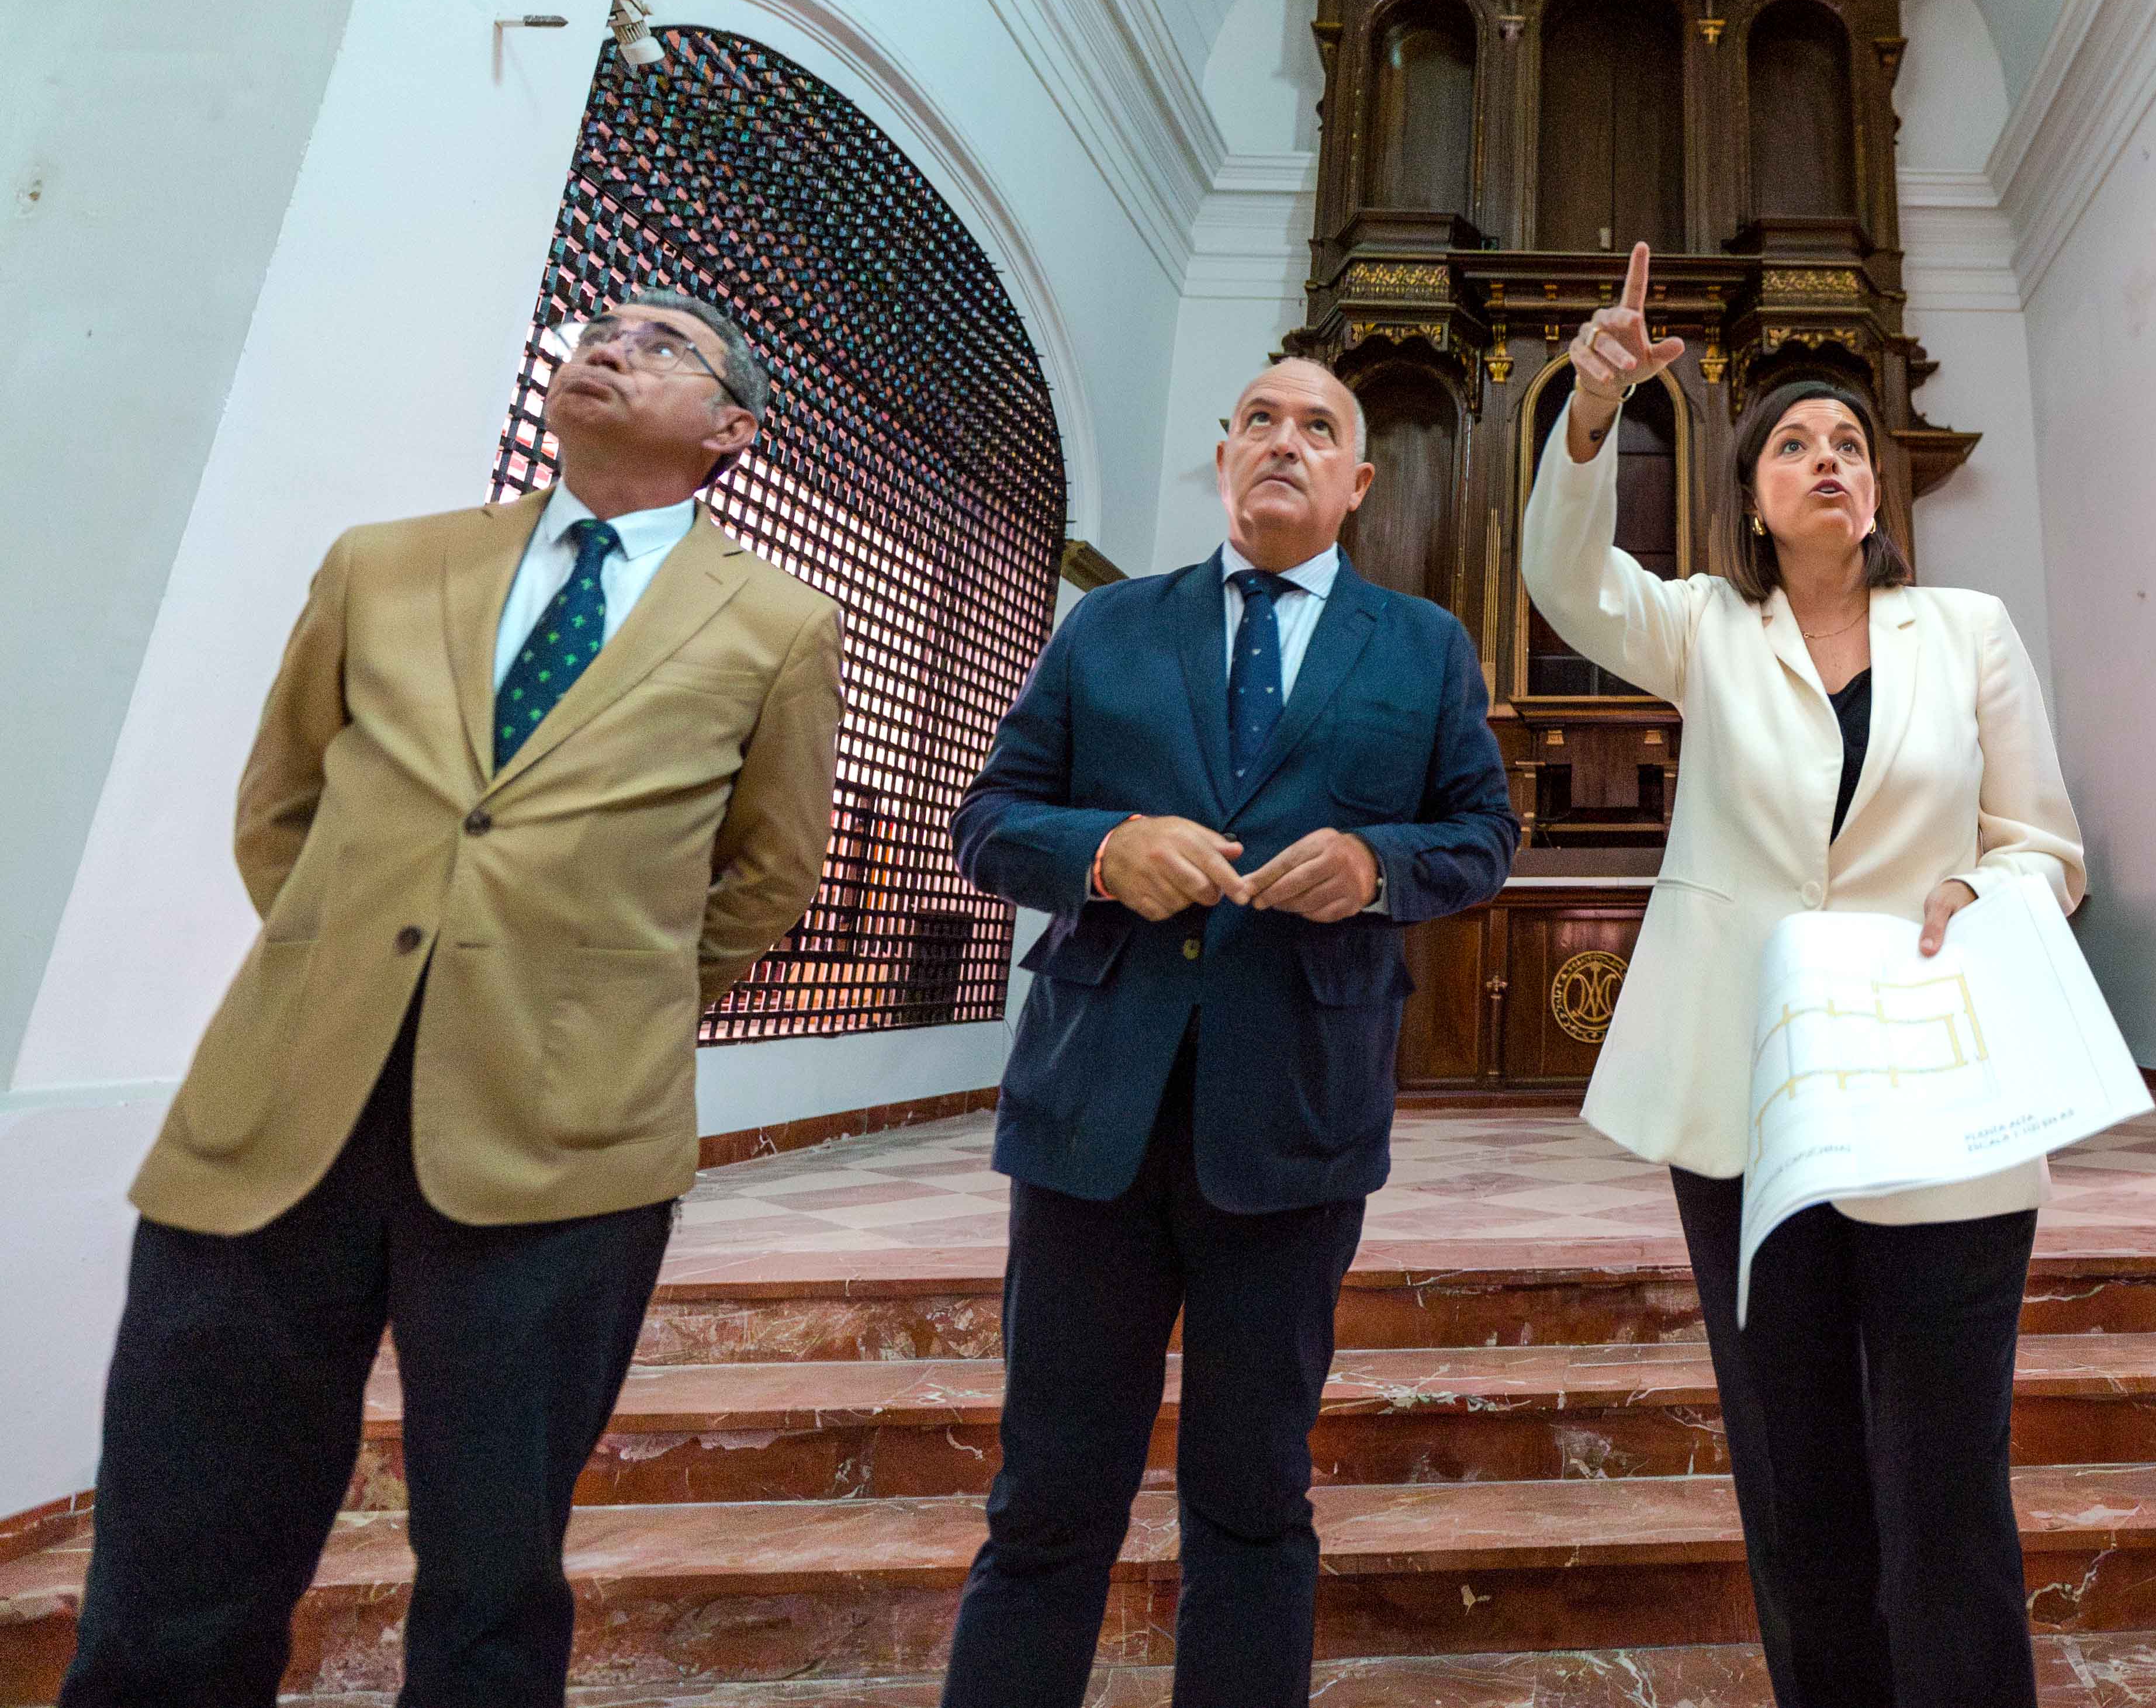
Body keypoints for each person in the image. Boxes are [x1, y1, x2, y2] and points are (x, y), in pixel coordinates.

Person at [60, 292, 842, 1708]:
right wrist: (359, 968)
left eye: (666, 345)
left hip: (559, 1146)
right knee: (180, 1553)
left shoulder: (778, 626)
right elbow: (280, 810)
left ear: (731, 429)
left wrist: (596, 1003)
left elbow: (769, 873)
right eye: (602, 328)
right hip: (284, 1115)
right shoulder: (385, 565)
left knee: (491, 1579)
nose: (612, 346)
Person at [1518, 243, 2087, 1708]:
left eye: (1848, 443)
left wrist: (1984, 882)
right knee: (1799, 1471)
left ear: (1880, 494)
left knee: (1946, 1481)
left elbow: (2045, 846)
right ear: (1754, 496)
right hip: (1753, 1100)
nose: (1824, 459)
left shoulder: (1968, 634)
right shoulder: (1709, 628)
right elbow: (1566, 579)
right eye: (1792, 444)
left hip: (1939, 1089)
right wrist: (1590, 414)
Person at [937, 356, 1516, 1708]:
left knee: (1254, 1499)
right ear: (1222, 459)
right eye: (1260, 419)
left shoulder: (1422, 645)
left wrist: (1378, 866)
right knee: (1048, 1496)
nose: (1285, 442)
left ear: (1359, 483)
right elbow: (991, 821)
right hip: (1093, 1115)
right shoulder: (1111, 630)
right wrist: (1103, 849)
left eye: (1320, 429)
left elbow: (1484, 838)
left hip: (1296, 1121)